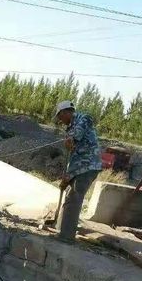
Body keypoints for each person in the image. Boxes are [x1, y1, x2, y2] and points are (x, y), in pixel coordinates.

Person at [54, 100, 102, 242]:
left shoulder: (83, 118)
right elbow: (73, 156)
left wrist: (72, 138)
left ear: (65, 112)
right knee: (69, 196)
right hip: (79, 168)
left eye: (60, 117)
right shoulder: (70, 128)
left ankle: (66, 237)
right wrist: (67, 177)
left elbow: (78, 132)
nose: (60, 120)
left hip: (87, 167)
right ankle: (60, 228)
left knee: (74, 200)